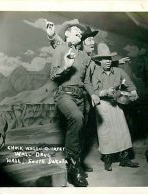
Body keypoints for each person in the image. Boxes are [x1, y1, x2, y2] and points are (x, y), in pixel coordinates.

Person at [50, 19, 99, 187]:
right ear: (66, 34)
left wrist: (93, 95)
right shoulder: (60, 49)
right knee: (77, 118)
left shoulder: (85, 56)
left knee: (80, 128)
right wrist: (67, 65)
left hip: (81, 97)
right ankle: (73, 167)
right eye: (74, 30)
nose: (79, 31)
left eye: (80, 31)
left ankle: (75, 161)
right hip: (64, 94)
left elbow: (87, 81)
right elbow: (54, 74)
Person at [85, 42, 140, 171]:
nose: (108, 61)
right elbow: (93, 91)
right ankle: (107, 159)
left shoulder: (119, 71)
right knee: (105, 131)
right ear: (99, 61)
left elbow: (130, 84)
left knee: (122, 130)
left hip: (117, 103)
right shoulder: (96, 73)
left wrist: (133, 92)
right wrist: (104, 92)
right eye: (104, 59)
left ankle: (124, 159)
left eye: (109, 58)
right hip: (102, 104)